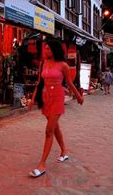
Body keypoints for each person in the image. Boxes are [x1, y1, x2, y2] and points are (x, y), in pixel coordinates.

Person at [28, 39, 84, 178]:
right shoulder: (43, 63)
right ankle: (64, 151)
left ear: (54, 50)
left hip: (58, 97)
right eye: (45, 49)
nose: (45, 51)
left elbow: (69, 83)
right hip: (46, 97)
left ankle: (42, 164)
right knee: (55, 127)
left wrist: (78, 96)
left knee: (49, 131)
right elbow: (39, 82)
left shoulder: (63, 65)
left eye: (48, 49)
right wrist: (33, 99)